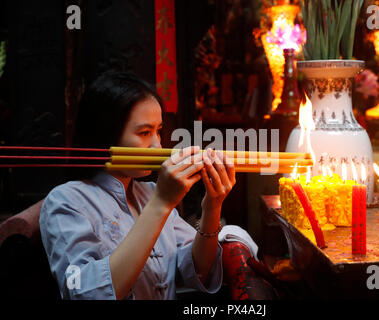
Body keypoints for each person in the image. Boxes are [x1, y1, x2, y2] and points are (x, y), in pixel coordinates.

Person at [39, 71, 236, 300]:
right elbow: (86, 293)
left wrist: (212, 206)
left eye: (158, 131)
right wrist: (161, 204)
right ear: (107, 134)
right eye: (144, 132)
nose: (157, 146)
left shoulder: (149, 192)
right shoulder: (66, 201)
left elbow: (197, 269)